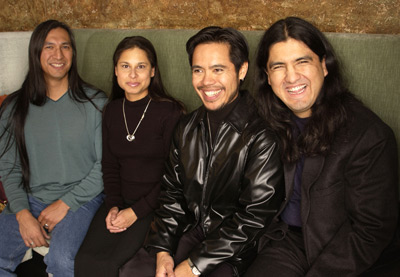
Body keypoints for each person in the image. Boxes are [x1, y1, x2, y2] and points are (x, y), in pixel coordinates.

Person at [118, 26, 284, 277]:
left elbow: (254, 217)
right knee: (135, 272)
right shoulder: (186, 127)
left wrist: (194, 265)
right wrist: (163, 249)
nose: (207, 81)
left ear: (241, 70)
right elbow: (172, 195)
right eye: (198, 70)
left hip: (236, 248)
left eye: (218, 69)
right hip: (192, 229)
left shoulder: (261, 135)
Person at [245, 17, 399, 276]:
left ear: (324, 65)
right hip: (286, 243)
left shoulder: (368, 134)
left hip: (345, 254)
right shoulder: (267, 123)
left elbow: (371, 230)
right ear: (268, 77)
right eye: (279, 66)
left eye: (302, 61)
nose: (292, 76)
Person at [0, 20, 106, 276]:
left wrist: (65, 203)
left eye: (65, 47)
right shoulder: (14, 107)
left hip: (81, 201)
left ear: (73, 53)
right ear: (36, 53)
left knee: (63, 261)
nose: (58, 55)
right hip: (29, 199)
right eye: (49, 47)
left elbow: (105, 167)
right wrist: (23, 215)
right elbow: (8, 167)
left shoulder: (96, 103)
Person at [74, 36, 184, 277]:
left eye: (141, 66)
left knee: (111, 265)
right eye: (126, 66)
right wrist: (113, 205)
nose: (133, 75)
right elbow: (110, 165)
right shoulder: (112, 111)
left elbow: (176, 176)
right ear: (115, 71)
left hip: (156, 206)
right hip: (118, 202)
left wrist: (136, 212)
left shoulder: (170, 112)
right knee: (84, 261)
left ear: (153, 71)